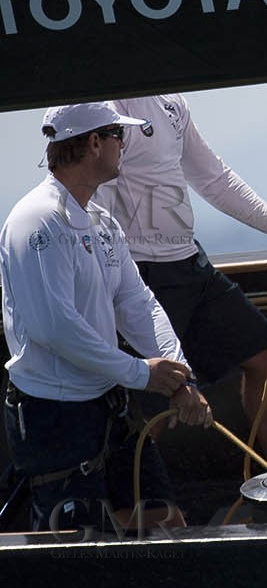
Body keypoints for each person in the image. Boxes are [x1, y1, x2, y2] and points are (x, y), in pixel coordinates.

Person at [2, 102, 211, 532]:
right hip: (55, 416)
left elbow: (137, 302)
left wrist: (179, 376)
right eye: (119, 135)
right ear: (95, 143)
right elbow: (53, 328)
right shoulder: (38, 221)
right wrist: (140, 373)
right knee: (75, 544)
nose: (124, 144)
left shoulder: (101, 222)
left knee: (164, 521)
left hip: (107, 405)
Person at [101, 95, 267, 471]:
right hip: (139, 273)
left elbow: (213, 177)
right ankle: (134, 502)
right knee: (151, 405)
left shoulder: (170, 101)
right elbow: (95, 202)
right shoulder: (102, 112)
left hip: (190, 263)